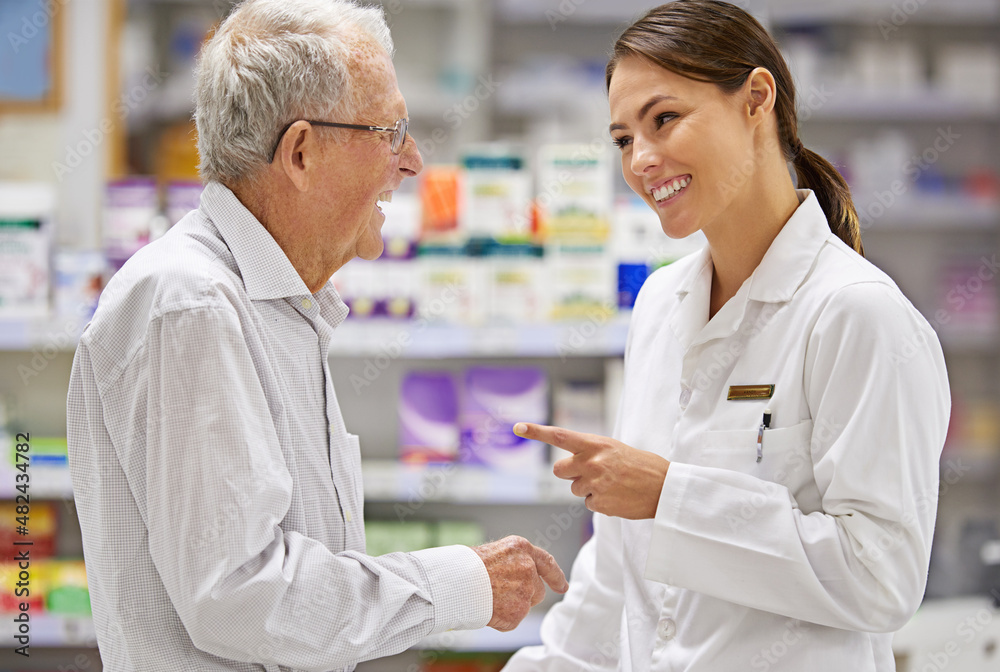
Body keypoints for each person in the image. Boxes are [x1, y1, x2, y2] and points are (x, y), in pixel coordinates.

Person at [65, 1, 567, 670]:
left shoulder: (279, 303)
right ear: (301, 151)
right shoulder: (192, 304)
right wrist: (456, 584)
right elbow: (240, 596)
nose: (411, 161)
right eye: (388, 132)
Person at [504, 2, 950, 671]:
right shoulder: (660, 303)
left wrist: (669, 495)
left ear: (756, 99)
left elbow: (881, 577)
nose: (643, 159)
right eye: (624, 139)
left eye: (664, 119)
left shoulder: (856, 314)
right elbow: (619, 569)